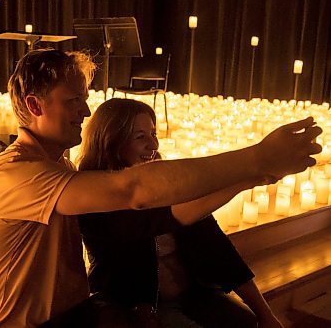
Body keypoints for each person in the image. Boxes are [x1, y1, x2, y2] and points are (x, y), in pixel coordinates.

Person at [0, 48, 322, 328]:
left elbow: (161, 217)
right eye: (73, 100)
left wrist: (248, 178)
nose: (86, 110)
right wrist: (256, 158)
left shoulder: (60, 166)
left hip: (72, 316)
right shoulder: (16, 174)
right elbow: (132, 193)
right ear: (34, 105)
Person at [78, 98, 285, 328]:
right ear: (111, 142)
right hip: (132, 306)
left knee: (246, 322)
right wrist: (244, 178)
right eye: (140, 137)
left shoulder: (169, 187)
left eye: (153, 133)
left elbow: (220, 250)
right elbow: (149, 220)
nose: (153, 144)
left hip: (193, 293)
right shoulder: (96, 195)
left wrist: (265, 314)